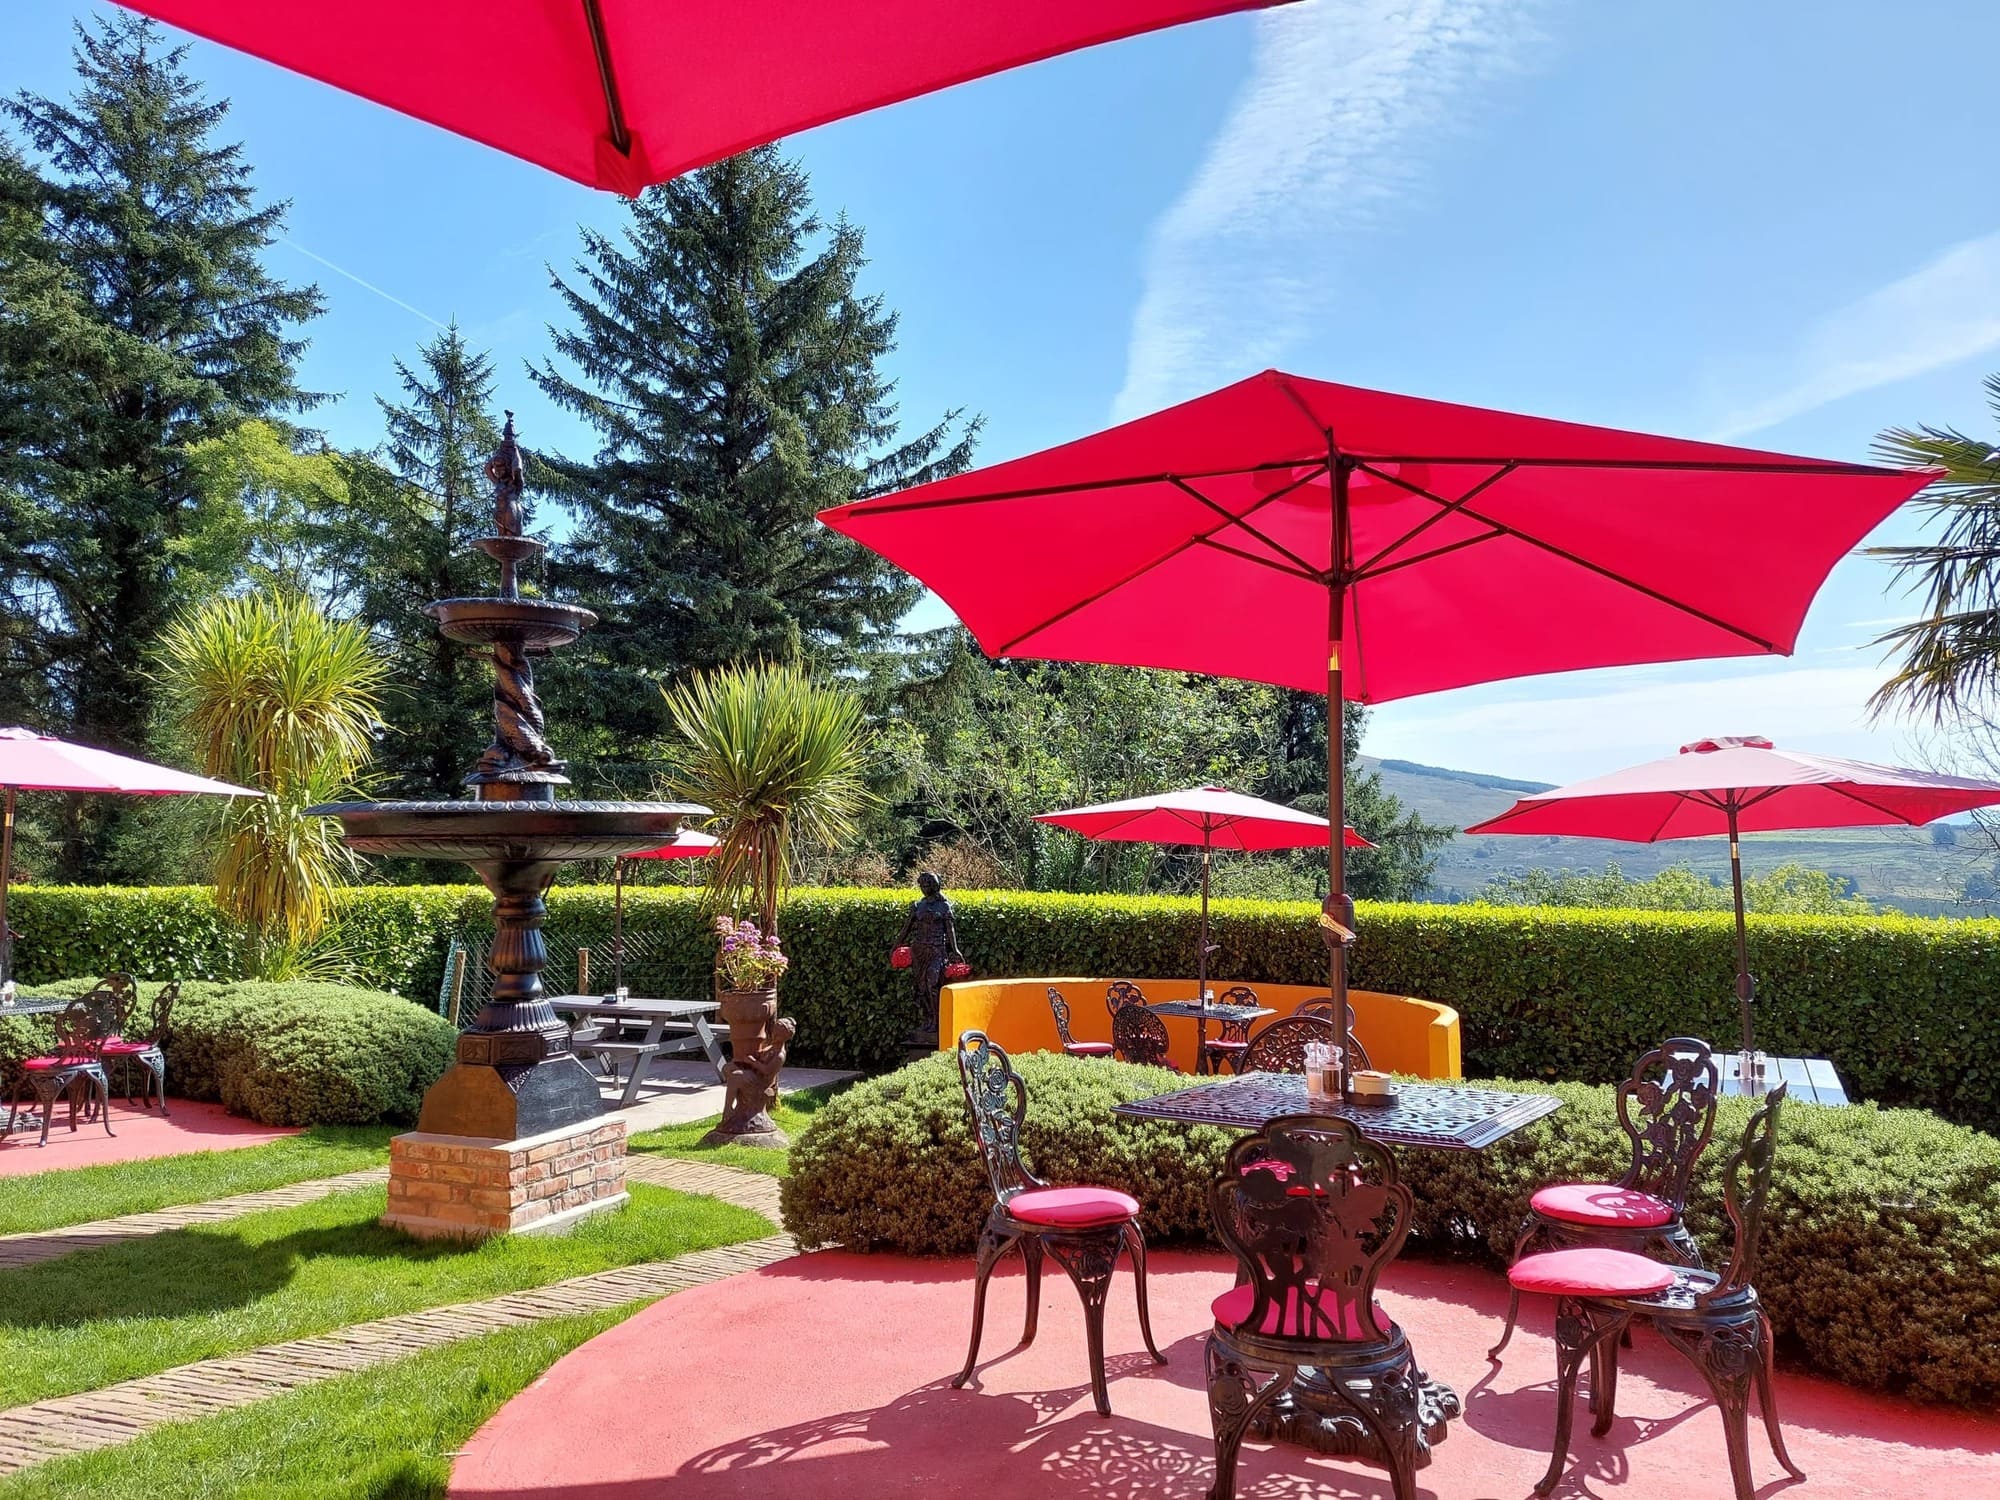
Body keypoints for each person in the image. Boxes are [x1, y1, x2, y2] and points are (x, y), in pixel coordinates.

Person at [891, 871, 963, 1041]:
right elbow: (907, 928)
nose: (924, 888)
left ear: (935, 886)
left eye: (928, 885)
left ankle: (938, 1021)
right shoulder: (918, 906)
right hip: (919, 950)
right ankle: (929, 1019)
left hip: (937, 950)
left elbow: (950, 930)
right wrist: (896, 945)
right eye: (922, 885)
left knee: (932, 983)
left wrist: (955, 949)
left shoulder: (944, 906)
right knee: (921, 988)